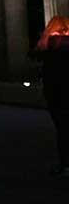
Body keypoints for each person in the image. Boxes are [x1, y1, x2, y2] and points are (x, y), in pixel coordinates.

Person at [33, 15, 69, 178]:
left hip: (56, 92)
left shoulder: (49, 45)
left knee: (62, 129)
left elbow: (34, 55)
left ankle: (66, 164)